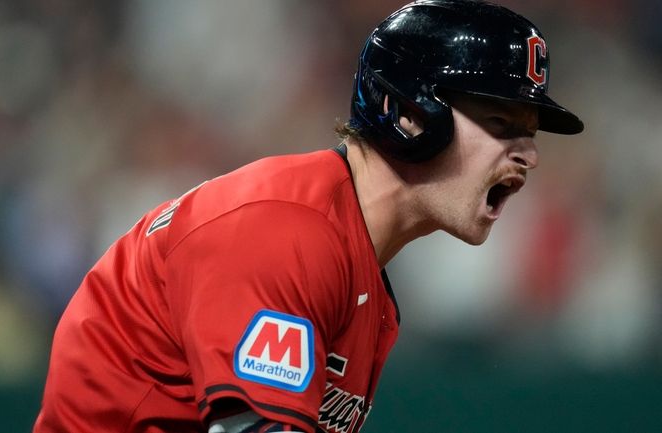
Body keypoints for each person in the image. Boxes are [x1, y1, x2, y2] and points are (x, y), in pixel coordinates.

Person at [33, 1, 583, 432]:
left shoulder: (360, 272)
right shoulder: (285, 229)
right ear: (412, 115)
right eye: (500, 123)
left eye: (529, 134)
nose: (528, 154)